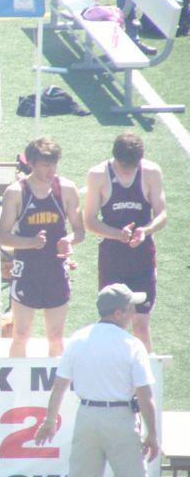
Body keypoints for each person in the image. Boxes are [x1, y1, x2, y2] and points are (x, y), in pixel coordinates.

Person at [34, 283, 159, 477]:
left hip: (88, 416)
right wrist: (152, 433)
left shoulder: (79, 339)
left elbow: (59, 385)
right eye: (129, 307)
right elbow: (145, 395)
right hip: (121, 419)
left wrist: (50, 420)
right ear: (118, 313)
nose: (133, 312)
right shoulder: (132, 344)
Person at [0, 137, 85, 357]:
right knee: (20, 336)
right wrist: (31, 243)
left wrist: (69, 241)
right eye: (46, 165)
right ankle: (15, 389)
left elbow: (80, 231)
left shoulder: (66, 188)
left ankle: (57, 389)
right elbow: (2, 236)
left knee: (56, 338)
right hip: (27, 271)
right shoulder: (16, 192)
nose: (51, 170)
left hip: (55, 271)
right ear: (32, 164)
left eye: (54, 164)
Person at [84, 133, 165, 353]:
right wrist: (117, 234)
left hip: (142, 258)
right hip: (113, 258)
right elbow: (89, 220)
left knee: (140, 325)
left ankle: (146, 383)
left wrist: (145, 230)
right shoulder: (98, 174)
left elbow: (162, 214)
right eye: (123, 165)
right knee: (112, 324)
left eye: (132, 165)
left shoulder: (150, 172)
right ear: (115, 158)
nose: (128, 171)